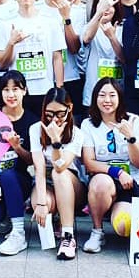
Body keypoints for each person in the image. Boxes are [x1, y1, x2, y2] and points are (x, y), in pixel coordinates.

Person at [81, 78, 139, 253]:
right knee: (100, 183)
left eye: (112, 95)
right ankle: (97, 231)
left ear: (119, 98)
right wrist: (117, 172)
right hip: (106, 182)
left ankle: (117, 213)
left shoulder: (134, 120)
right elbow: (89, 163)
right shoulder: (88, 124)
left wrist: (130, 138)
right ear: (95, 98)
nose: (107, 100)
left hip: (134, 183)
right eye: (102, 95)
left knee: (123, 226)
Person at [0, 71, 39, 256]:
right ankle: (7, 212)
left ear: (25, 91)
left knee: (9, 176)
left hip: (19, 180)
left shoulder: (32, 121)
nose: (11, 94)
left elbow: (32, 160)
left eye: (16, 89)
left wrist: (17, 147)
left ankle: (18, 232)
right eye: (6, 89)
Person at [29, 87, 86, 259]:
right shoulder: (35, 129)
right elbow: (39, 167)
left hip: (71, 185)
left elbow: (61, 165)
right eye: (49, 114)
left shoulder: (77, 133)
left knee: (58, 173)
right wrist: (40, 203)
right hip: (45, 183)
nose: (55, 120)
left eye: (60, 114)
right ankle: (54, 221)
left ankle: (68, 235)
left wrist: (55, 141)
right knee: (43, 201)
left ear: (70, 108)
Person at [0, 0, 65, 110]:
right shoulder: (5, 24)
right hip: (18, 92)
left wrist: (59, 88)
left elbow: (57, 57)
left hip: (45, 90)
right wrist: (11, 43)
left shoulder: (51, 22)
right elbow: (2, 64)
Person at [39, 0, 87, 119]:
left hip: (70, 77)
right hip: (41, 78)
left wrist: (66, 18)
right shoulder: (36, 8)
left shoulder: (79, 11)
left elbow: (74, 48)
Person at [81, 0, 126, 108]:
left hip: (118, 94)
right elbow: (86, 38)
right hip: (93, 95)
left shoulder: (124, 28)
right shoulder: (89, 27)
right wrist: (99, 13)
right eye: (102, 5)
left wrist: (112, 37)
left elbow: (124, 58)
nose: (106, 9)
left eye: (109, 5)